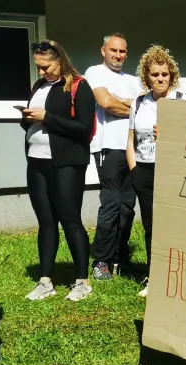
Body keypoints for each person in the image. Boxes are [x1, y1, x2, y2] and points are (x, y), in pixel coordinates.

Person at [20, 40, 97, 302]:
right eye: (38, 67)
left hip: (67, 162)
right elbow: (34, 122)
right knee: (46, 221)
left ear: (60, 59)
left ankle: (82, 280)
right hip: (37, 159)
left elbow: (84, 127)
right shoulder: (39, 86)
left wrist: (46, 117)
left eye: (46, 66)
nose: (42, 72)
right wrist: (27, 117)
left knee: (70, 219)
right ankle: (45, 280)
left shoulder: (79, 86)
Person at [127, 45, 186, 298]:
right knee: (151, 227)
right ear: (146, 76)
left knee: (174, 226)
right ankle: (154, 276)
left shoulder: (183, 101)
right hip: (144, 171)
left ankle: (178, 276)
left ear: (171, 75)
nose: (160, 78)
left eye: (164, 74)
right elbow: (130, 140)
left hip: (173, 173)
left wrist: (171, 135)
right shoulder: (139, 103)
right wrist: (134, 171)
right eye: (155, 74)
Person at [84, 33, 139, 281]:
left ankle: (120, 257)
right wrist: (134, 107)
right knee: (111, 204)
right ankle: (101, 260)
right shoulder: (95, 72)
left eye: (123, 51)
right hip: (108, 147)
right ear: (103, 50)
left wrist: (126, 103)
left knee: (128, 206)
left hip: (134, 149)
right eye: (114, 50)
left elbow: (150, 107)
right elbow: (106, 103)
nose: (118, 55)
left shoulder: (134, 80)